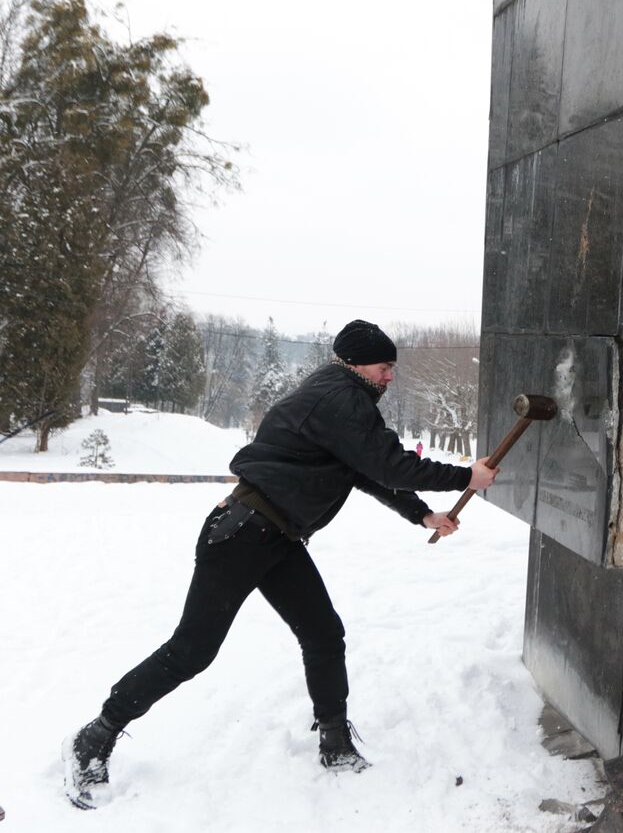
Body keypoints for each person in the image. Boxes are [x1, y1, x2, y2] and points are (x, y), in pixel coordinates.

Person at [61, 320, 496, 810]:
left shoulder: (339, 396)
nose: (389, 377)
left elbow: (365, 472)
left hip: (275, 537)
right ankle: (95, 736)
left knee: (324, 633)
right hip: (243, 534)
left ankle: (334, 741)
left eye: (392, 367)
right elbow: (389, 464)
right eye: (384, 366)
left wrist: (422, 514)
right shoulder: (341, 399)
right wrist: (466, 476)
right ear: (355, 363)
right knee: (192, 650)